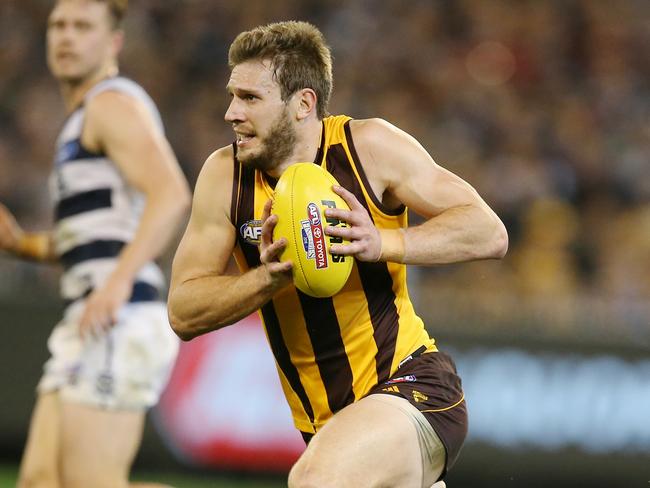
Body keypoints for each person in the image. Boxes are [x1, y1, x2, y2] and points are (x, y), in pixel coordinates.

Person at [168, 21, 507, 488]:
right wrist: (268, 277)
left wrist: (382, 243)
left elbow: (488, 231)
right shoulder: (225, 176)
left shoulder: (368, 148)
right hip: (324, 425)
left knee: (315, 481)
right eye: (232, 95)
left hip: (412, 389)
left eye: (249, 98)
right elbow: (183, 312)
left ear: (303, 104)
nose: (230, 112)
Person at [0, 1, 190, 487]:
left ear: (114, 42)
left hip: (117, 315)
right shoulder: (80, 122)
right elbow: (93, 242)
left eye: (82, 26)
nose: (66, 36)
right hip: (89, 316)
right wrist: (22, 244)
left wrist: (116, 284)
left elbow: (170, 194)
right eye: (58, 25)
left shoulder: (111, 103)